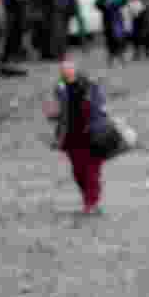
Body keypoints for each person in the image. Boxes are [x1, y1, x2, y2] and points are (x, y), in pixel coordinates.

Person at [48, 59, 108, 215]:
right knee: (78, 172)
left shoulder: (90, 86)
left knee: (92, 171)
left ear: (75, 70)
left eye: (68, 69)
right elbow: (57, 112)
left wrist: (97, 121)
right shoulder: (59, 89)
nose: (66, 72)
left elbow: (101, 106)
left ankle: (91, 203)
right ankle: (88, 199)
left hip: (92, 136)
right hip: (70, 137)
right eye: (63, 70)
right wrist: (53, 115)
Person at [95, 0, 128, 67]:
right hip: (107, 19)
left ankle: (120, 56)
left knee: (119, 38)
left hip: (117, 19)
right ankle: (111, 56)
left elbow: (124, 1)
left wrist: (117, 3)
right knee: (109, 39)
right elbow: (97, 4)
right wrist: (104, 4)